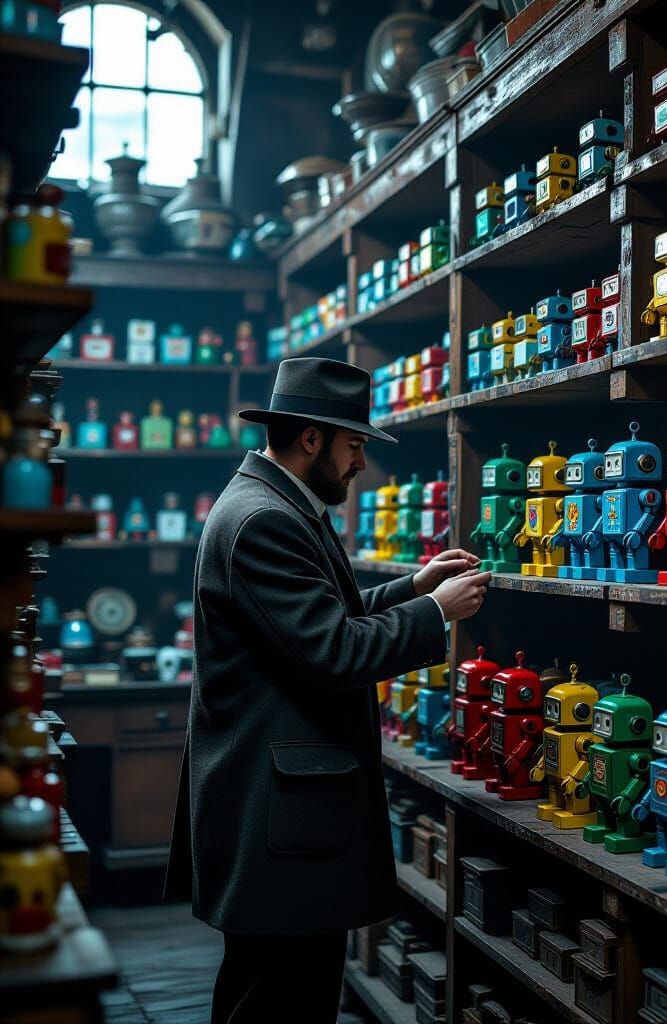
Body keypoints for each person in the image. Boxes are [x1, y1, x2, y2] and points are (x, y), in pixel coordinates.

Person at [164, 358, 490, 1023]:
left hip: (280, 811)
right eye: (354, 444)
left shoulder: (273, 503)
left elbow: (313, 617)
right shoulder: (264, 520)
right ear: (311, 437)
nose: (360, 463)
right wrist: (437, 614)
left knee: (280, 992)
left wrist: (414, 587)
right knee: (279, 1002)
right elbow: (334, 650)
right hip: (277, 817)